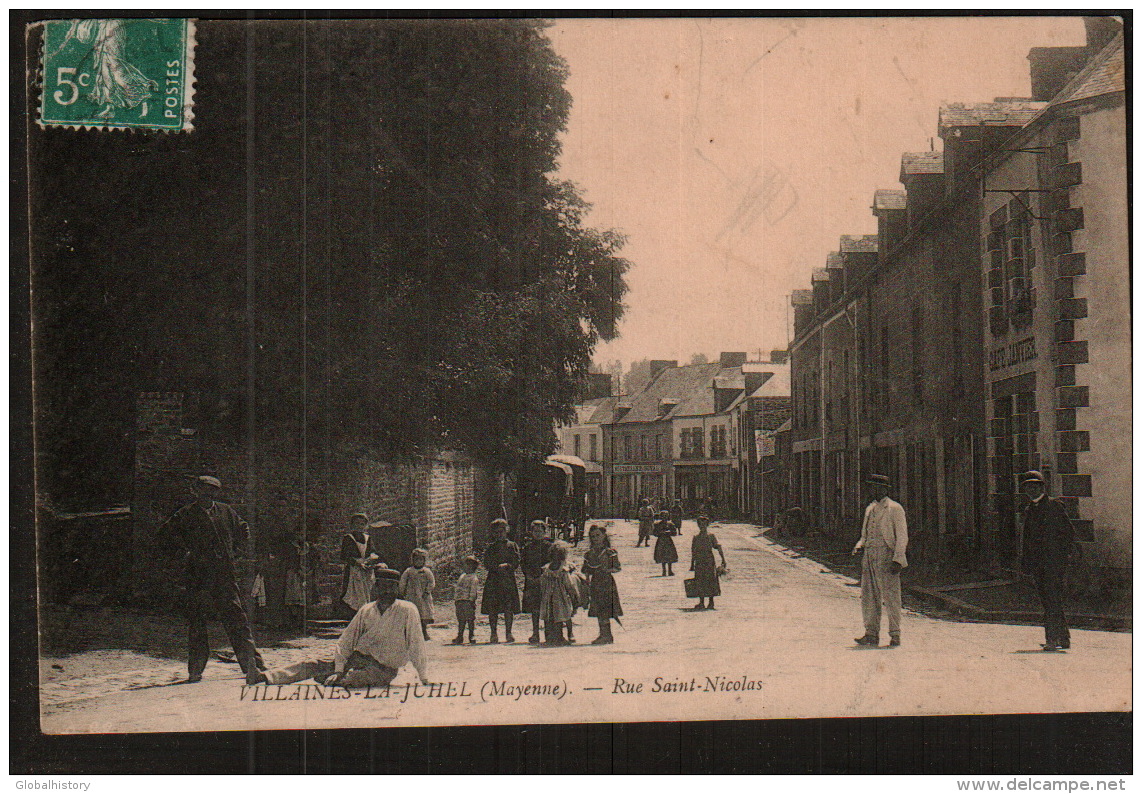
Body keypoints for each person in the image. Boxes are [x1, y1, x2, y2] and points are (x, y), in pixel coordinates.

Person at [250, 568, 428, 688]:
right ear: (375, 587)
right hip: (358, 658)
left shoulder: (407, 610)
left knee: (354, 680)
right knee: (312, 664)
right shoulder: (367, 610)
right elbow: (347, 640)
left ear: (397, 588)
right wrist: (338, 668)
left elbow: (416, 643)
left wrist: (424, 677)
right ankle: (265, 677)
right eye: (383, 587)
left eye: (391, 587)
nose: (387, 591)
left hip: (383, 669)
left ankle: (336, 678)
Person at [162, 475, 265, 683]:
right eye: (203, 491)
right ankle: (196, 669)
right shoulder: (185, 515)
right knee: (197, 622)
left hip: (224, 574)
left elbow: (244, 529)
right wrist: (185, 554)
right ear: (195, 492)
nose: (208, 495)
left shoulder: (227, 512)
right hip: (197, 576)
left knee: (237, 619)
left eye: (212, 491)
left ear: (217, 493)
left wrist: (234, 551)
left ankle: (253, 666)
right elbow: (165, 536)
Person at [851, 473, 909, 648]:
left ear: (884, 489)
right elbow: (865, 534)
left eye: (875, 487)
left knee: (891, 596)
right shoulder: (870, 509)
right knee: (869, 596)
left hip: (886, 555)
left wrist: (898, 559)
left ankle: (895, 634)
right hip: (869, 554)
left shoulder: (894, 509)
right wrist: (860, 545)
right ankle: (871, 633)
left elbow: (902, 536)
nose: (872, 490)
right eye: (870, 486)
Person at [1020, 470, 1075, 652]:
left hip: (1053, 563)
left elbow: (1068, 532)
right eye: (1028, 486)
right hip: (1038, 564)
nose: (1031, 489)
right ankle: (1063, 638)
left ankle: (1052, 639)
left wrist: (1061, 557)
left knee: (1051, 600)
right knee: (1050, 601)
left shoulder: (1053, 506)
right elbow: (1027, 540)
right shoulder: (1029, 509)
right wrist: (1026, 564)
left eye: (1035, 486)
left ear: (1042, 487)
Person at [481, 518, 521, 643]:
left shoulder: (512, 545)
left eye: (502, 531)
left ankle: (508, 633)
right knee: (493, 608)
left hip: (507, 580)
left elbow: (516, 560)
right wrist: (495, 567)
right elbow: (487, 563)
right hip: (494, 581)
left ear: (506, 531)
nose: (499, 534)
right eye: (496, 532)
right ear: (493, 533)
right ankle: (493, 633)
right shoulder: (491, 548)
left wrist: (508, 565)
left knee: (508, 608)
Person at [582, 524, 622, 644]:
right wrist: (587, 579)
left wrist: (606, 570)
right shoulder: (589, 554)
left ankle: (607, 635)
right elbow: (586, 570)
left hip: (607, 583)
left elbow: (617, 568)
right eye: (593, 536)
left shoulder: (610, 552)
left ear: (604, 536)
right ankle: (603, 634)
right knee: (598, 608)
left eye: (598, 535)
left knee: (606, 608)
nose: (595, 538)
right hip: (595, 583)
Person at [338, 512, 380, 620]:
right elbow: (344, 556)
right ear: (352, 525)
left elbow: (373, 552)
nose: (359, 526)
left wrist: (371, 558)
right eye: (357, 524)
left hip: (366, 569)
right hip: (354, 569)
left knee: (367, 593)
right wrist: (357, 563)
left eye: (362, 524)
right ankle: (356, 618)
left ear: (365, 526)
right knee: (354, 594)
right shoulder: (349, 538)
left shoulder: (367, 538)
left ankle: (366, 618)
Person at [520, 520, 555, 644]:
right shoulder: (528, 547)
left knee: (546, 606)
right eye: (535, 531)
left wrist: (544, 574)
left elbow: (552, 562)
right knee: (534, 608)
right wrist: (528, 575)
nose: (538, 534)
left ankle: (548, 634)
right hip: (531, 581)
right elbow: (523, 563)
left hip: (545, 579)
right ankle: (535, 633)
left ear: (545, 532)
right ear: (531, 533)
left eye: (540, 531)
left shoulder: (549, 547)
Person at [539, 542, 579, 646]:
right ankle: (551, 636)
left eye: (558, 555)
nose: (556, 557)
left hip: (561, 596)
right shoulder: (546, 569)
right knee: (550, 615)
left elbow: (569, 584)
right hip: (549, 596)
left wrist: (572, 594)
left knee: (564, 615)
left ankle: (567, 634)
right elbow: (542, 582)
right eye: (554, 555)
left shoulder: (563, 570)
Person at [689, 513, 726, 609]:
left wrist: (723, 559)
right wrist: (692, 564)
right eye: (700, 524)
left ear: (707, 525)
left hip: (709, 560)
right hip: (699, 560)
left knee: (711, 579)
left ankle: (711, 602)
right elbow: (694, 551)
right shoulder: (696, 537)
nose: (702, 526)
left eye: (704, 524)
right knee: (700, 580)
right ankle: (701, 602)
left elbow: (718, 547)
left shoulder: (711, 536)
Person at [400, 548, 436, 641]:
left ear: (424, 561)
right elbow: (403, 582)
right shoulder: (409, 571)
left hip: (423, 597)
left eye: (421, 559)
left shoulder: (426, 571)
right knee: (411, 612)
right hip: (412, 596)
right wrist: (402, 592)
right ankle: (410, 633)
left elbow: (431, 582)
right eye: (416, 559)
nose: (419, 562)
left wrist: (427, 591)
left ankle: (424, 631)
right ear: (413, 560)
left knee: (423, 613)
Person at [452, 556, 480, 645]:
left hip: (468, 601)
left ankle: (471, 635)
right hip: (460, 600)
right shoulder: (462, 576)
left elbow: (473, 590)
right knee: (461, 619)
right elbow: (458, 588)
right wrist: (456, 598)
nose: (464, 567)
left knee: (470, 619)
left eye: (466, 565)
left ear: (471, 566)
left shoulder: (473, 578)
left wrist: (471, 600)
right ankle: (460, 635)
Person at [653, 509, 679, 577]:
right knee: (662, 555)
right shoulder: (657, 524)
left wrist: (670, 532)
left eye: (666, 516)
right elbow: (654, 533)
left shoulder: (670, 524)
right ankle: (664, 570)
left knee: (670, 555)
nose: (664, 517)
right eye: (663, 516)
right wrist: (660, 533)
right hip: (661, 541)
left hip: (668, 541)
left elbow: (675, 533)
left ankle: (670, 570)